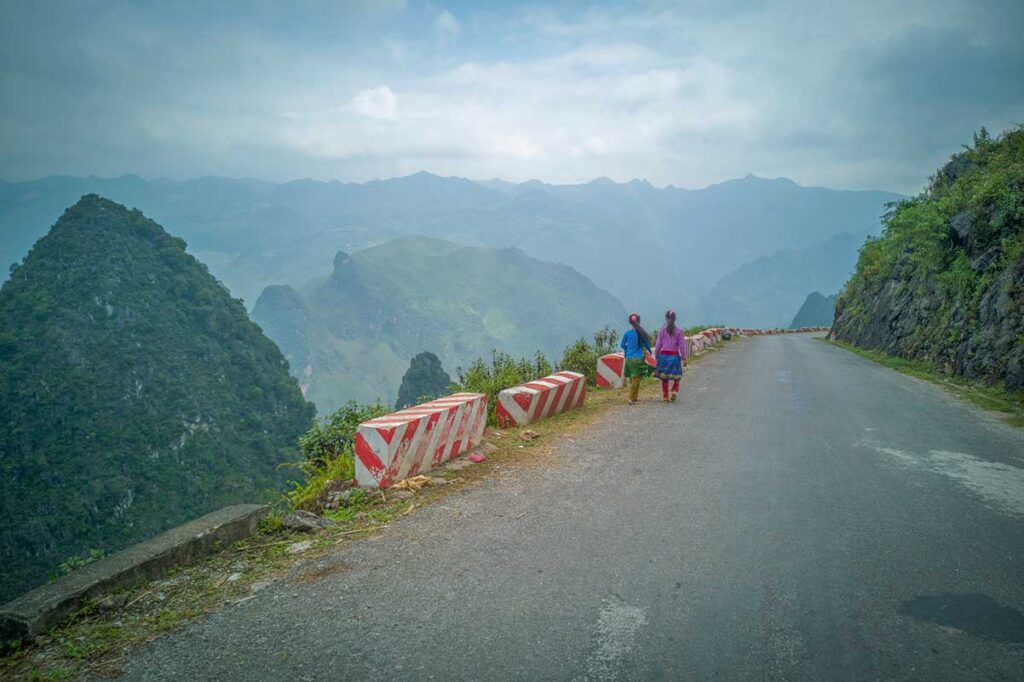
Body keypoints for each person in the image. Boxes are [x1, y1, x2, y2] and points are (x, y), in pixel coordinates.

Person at [654, 309, 686, 402]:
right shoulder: (679, 331)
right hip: (674, 356)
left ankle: (665, 396)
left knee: (664, 377)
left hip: (663, 356)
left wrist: (656, 356)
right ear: (675, 319)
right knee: (677, 375)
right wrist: (684, 358)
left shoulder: (662, 331)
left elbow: (658, 345)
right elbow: (682, 345)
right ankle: (675, 391)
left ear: (666, 319)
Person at [620, 313, 653, 404]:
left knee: (633, 378)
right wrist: (650, 351)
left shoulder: (627, 333)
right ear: (639, 321)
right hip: (639, 359)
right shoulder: (641, 333)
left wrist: (627, 352)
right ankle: (631, 398)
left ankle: (635, 397)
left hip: (629, 359)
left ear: (630, 322)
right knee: (636, 378)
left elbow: (623, 345)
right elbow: (647, 345)